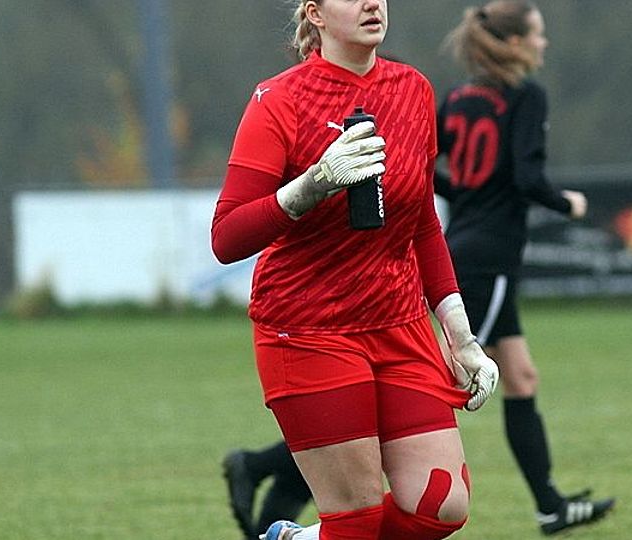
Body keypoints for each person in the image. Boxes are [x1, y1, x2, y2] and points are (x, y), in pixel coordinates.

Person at [210, 0, 499, 538]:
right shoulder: (279, 100)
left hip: (400, 325)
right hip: (309, 330)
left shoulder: (413, 89)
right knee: (356, 522)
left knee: (441, 505)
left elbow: (422, 224)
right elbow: (226, 237)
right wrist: (311, 185)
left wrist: (461, 338)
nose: (372, 3)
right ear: (315, 14)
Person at [434, 1, 615, 535]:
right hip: (488, 260)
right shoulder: (526, 97)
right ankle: (275, 469)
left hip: (465, 248)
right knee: (431, 382)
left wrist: (463, 194)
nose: (544, 43)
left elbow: (420, 164)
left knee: (520, 375)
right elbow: (527, 178)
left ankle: (549, 506)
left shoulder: (458, 98)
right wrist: (568, 204)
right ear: (514, 43)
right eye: (537, 33)